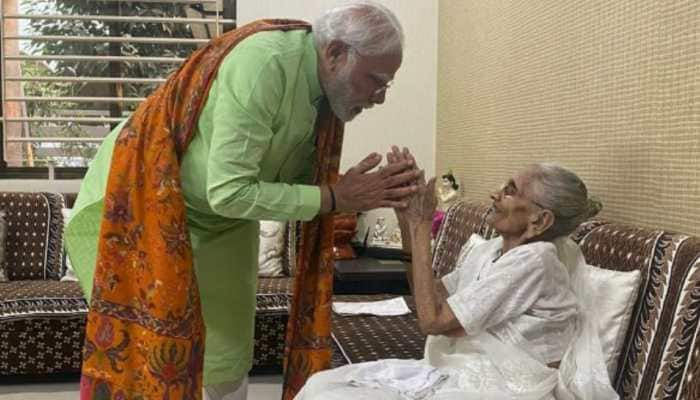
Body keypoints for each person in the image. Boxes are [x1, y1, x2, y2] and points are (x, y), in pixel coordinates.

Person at [66, 2, 418, 400]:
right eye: (376, 81)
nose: (380, 98)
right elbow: (229, 191)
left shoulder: (326, 96)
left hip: (220, 219)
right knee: (149, 355)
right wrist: (334, 195)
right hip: (139, 202)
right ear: (335, 53)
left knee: (227, 354)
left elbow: (277, 185)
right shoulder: (264, 64)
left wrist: (356, 190)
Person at [295, 156, 618, 400]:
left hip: (506, 387)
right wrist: (407, 222)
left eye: (509, 190)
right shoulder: (492, 250)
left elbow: (433, 322)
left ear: (540, 219)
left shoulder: (536, 260)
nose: (495, 193)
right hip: (465, 371)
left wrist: (422, 227)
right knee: (322, 386)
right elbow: (433, 297)